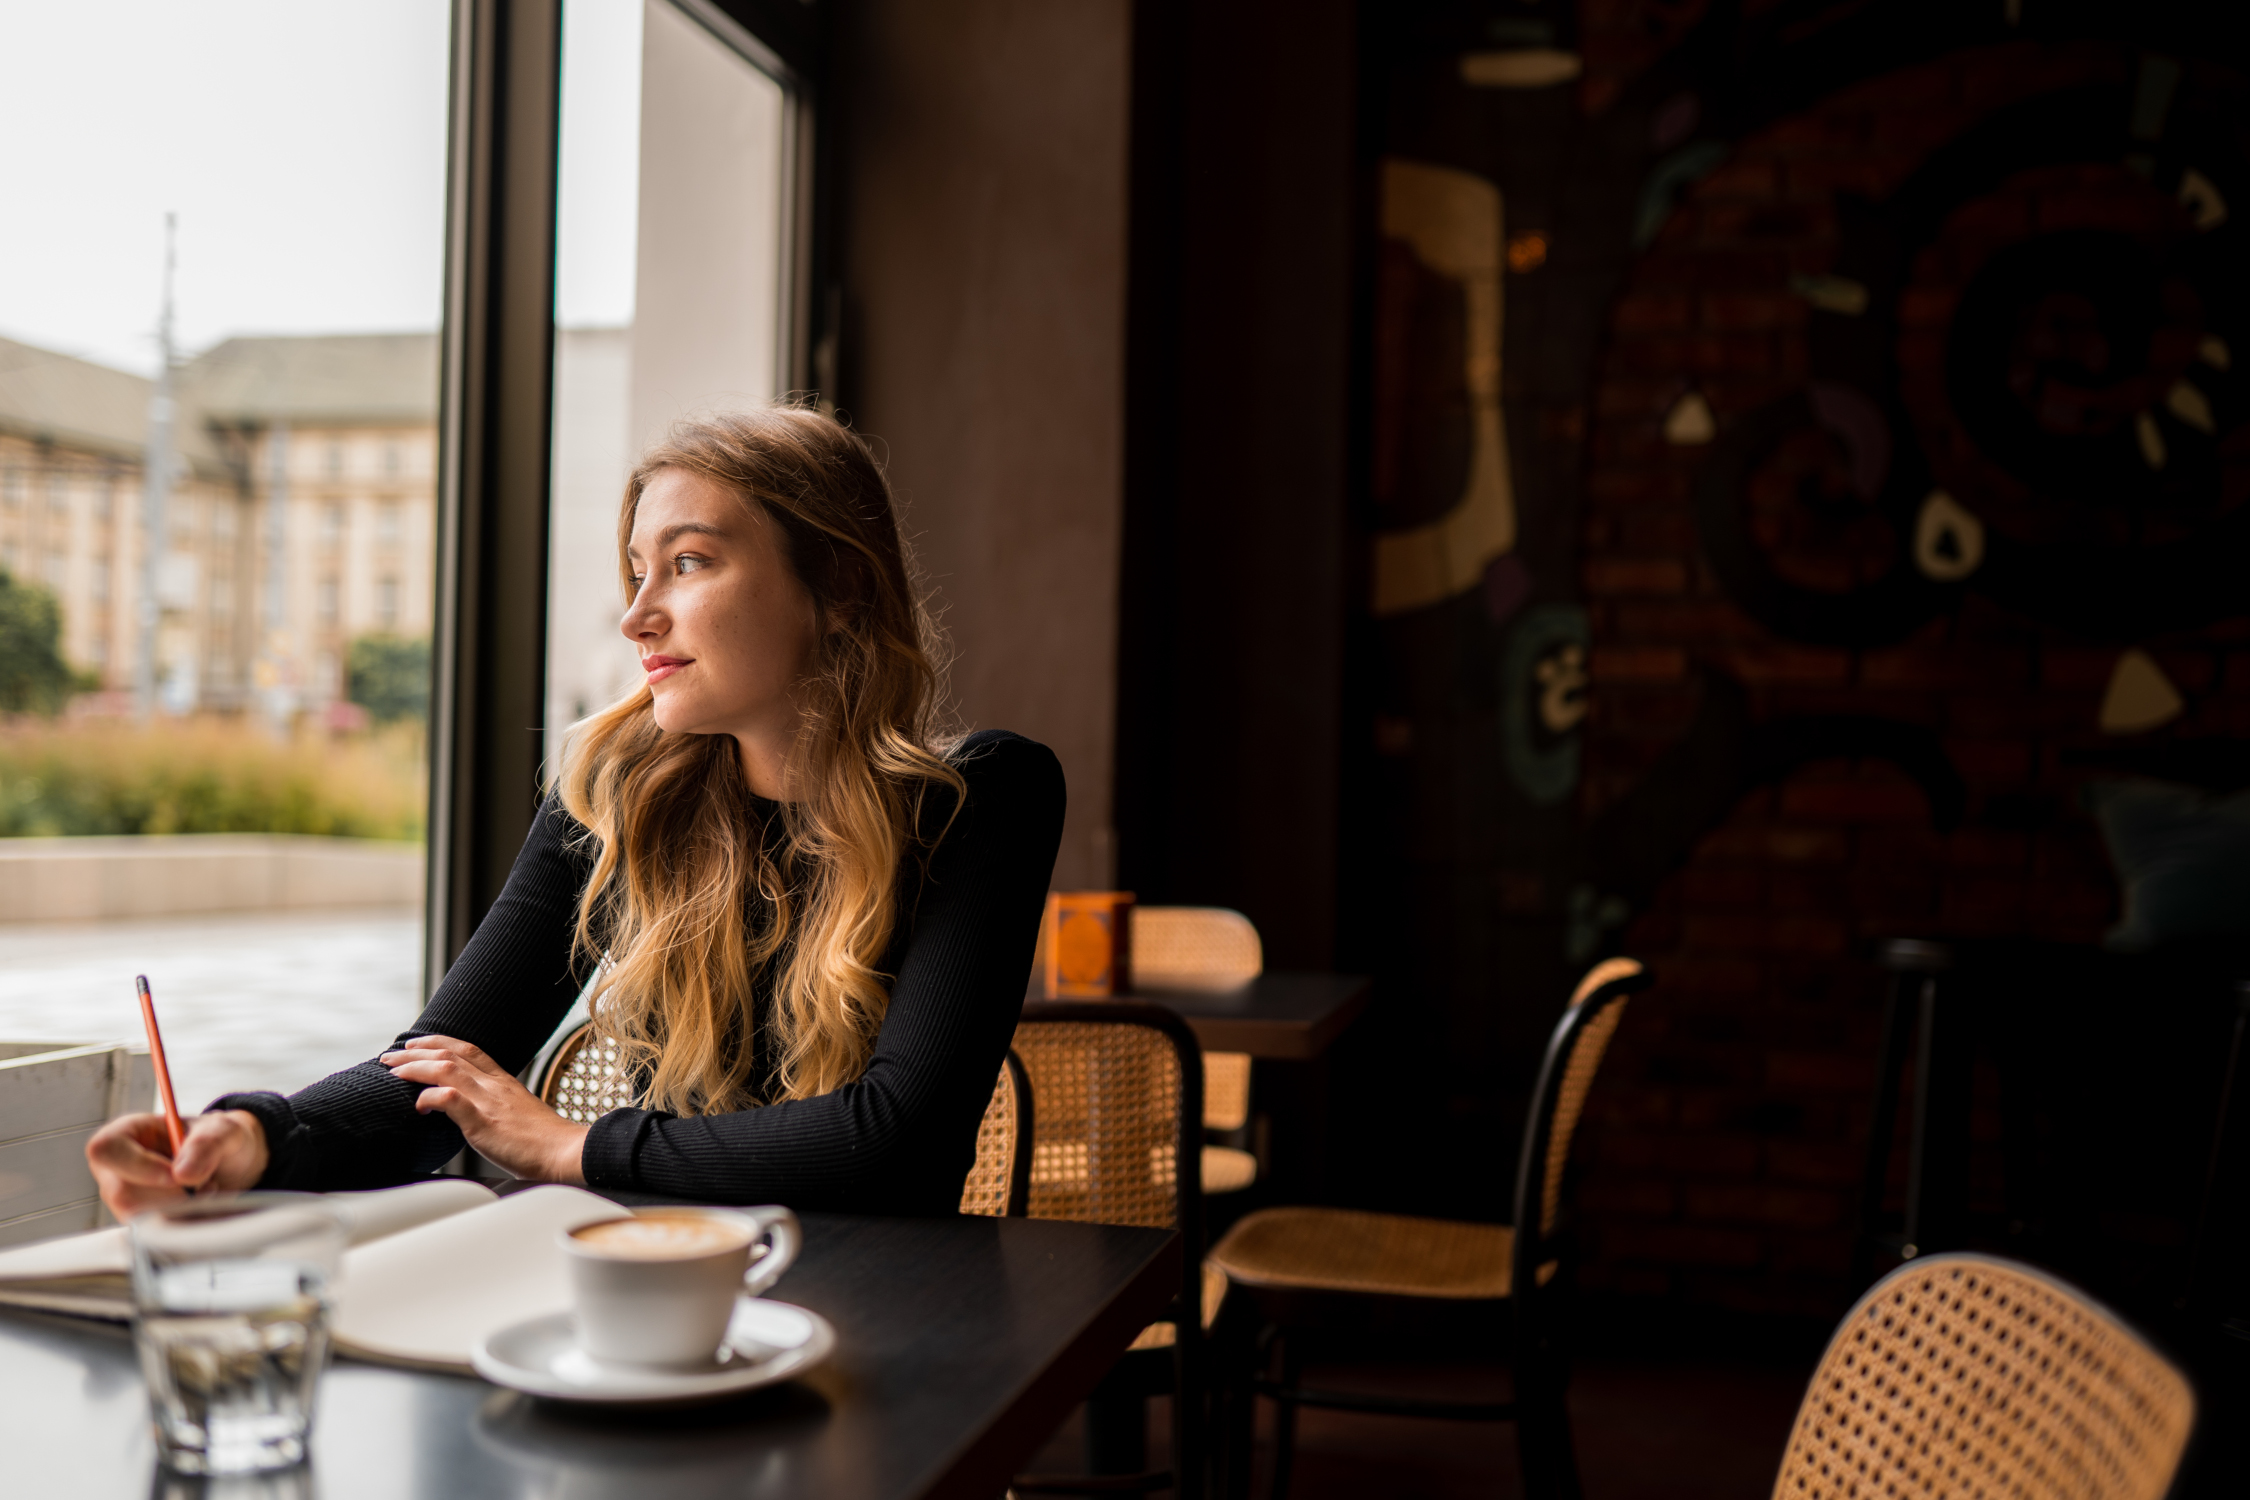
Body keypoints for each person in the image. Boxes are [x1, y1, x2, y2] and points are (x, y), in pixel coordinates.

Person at [89, 405, 1064, 1217]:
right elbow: (442, 1072)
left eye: (687, 563)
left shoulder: (983, 800)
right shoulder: (612, 796)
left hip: (883, 1328)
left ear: (839, 583)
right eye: (637, 572)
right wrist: (256, 1136)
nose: (639, 615)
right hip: (655, 1302)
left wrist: (569, 1148)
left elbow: (899, 1140)